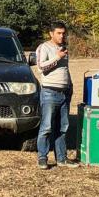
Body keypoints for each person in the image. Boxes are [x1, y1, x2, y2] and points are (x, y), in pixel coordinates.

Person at [34, 20, 79, 169]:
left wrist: (70, 86)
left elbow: (65, 70)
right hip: (49, 93)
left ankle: (61, 158)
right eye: (59, 33)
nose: (62, 36)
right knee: (46, 127)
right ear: (51, 33)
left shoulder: (64, 48)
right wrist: (57, 57)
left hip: (64, 93)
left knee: (63, 127)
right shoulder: (44, 47)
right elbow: (41, 67)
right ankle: (42, 157)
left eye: (64, 33)